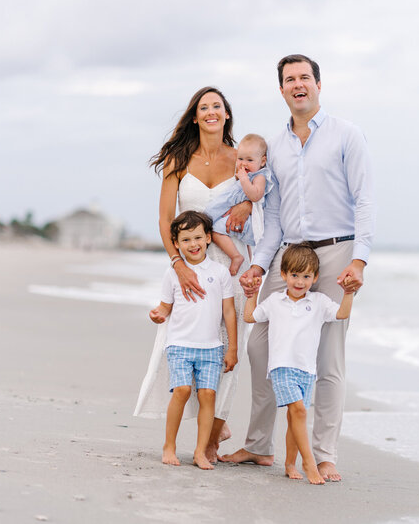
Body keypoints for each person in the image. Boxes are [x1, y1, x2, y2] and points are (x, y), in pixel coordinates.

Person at [221, 55, 375, 482]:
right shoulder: (274, 147)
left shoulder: (347, 135)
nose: (297, 84)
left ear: (319, 85)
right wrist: (257, 267)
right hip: (288, 255)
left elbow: (364, 200)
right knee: (259, 346)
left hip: (336, 253)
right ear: (282, 90)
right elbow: (271, 219)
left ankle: (324, 454)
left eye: (304, 77)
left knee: (327, 359)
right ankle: (258, 446)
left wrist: (359, 260)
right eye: (289, 79)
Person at [134, 86, 252, 463]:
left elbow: (263, 194)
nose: (211, 112)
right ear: (196, 117)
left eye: (217, 106)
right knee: (184, 339)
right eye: (204, 107)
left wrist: (248, 204)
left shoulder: (240, 158)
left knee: (227, 348)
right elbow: (165, 219)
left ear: (227, 114)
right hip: (189, 259)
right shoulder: (178, 159)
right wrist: (178, 265)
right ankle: (194, 425)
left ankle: (214, 434)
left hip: (233, 263)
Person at [243, 244, 353, 484]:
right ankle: (308, 464)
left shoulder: (320, 301)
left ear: (315, 278)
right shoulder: (274, 300)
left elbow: (342, 314)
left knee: (296, 418)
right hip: (282, 366)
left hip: (306, 370)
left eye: (306, 276)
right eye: (294, 275)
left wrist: (348, 293)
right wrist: (251, 296)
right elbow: (250, 317)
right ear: (283, 275)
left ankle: (290, 463)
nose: (299, 281)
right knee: (300, 411)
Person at [148, 211, 238, 469]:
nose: (193, 244)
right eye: (186, 239)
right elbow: (165, 306)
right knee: (183, 390)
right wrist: (157, 314)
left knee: (208, 395)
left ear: (209, 238)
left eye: (198, 237)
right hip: (179, 344)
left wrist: (232, 348)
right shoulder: (173, 273)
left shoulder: (220, 272)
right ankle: (169, 445)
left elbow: (228, 312)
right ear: (176, 243)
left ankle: (200, 451)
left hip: (211, 347)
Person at [205, 133, 273, 275]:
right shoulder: (245, 175)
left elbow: (255, 195)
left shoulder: (259, 176)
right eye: (240, 159)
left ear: (262, 161)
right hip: (233, 209)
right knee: (209, 215)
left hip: (249, 224)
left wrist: (243, 180)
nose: (243, 163)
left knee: (215, 228)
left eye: (249, 160)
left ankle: (236, 256)